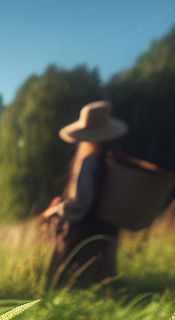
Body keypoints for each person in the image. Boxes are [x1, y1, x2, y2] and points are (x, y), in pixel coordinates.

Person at [40, 101, 128, 287]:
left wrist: (59, 208)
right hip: (106, 229)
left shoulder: (90, 162)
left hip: (84, 232)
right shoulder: (114, 159)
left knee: (69, 281)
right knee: (102, 279)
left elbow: (82, 203)